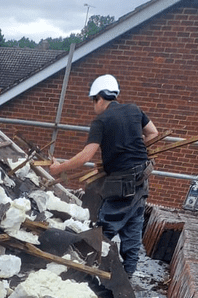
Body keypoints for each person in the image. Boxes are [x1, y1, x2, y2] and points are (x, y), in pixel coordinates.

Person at [49, 74, 158, 277]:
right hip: (142, 178)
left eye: (93, 102)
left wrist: (59, 168)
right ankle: (127, 276)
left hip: (121, 181)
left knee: (106, 225)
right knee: (133, 226)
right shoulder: (134, 109)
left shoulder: (101, 120)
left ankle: (84, 272)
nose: (94, 107)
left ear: (99, 98)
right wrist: (131, 148)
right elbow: (153, 133)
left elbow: (86, 156)